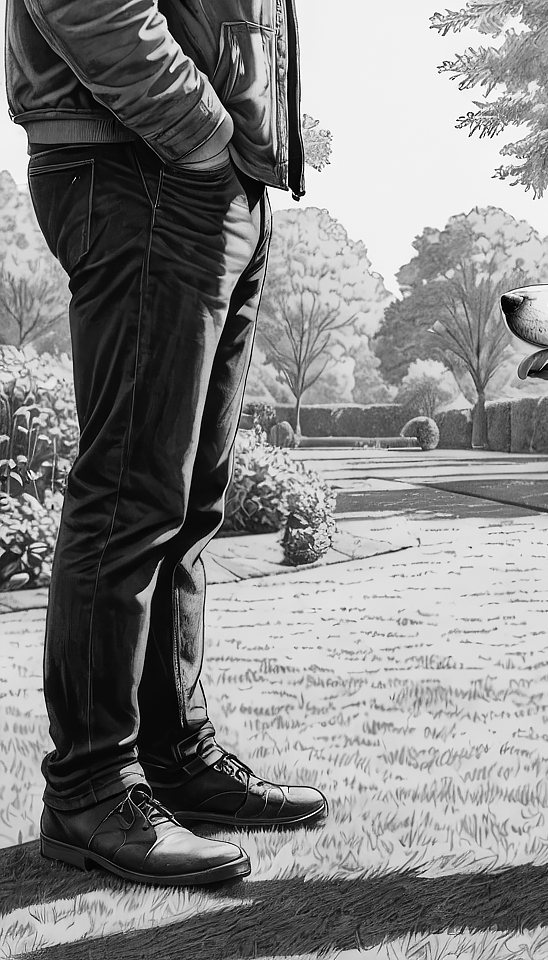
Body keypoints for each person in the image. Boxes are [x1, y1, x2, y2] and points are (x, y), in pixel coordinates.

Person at [7, 0, 328, 886]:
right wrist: (200, 134)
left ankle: (175, 756)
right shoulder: (173, 147)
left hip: (209, 176)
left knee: (186, 501)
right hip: (139, 163)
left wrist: (247, 148)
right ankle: (88, 792)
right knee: (129, 495)